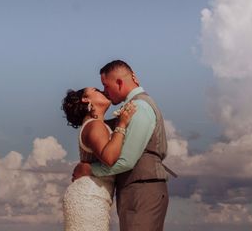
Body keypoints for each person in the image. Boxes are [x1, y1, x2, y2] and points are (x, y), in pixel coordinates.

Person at [72, 60, 171, 231]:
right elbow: (101, 128)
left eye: (105, 86)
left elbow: (126, 161)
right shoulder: (130, 109)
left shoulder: (139, 107)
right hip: (136, 189)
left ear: (118, 82)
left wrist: (90, 169)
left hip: (143, 189)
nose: (105, 92)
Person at [61, 86, 138, 231]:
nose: (102, 91)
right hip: (89, 196)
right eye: (96, 90)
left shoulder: (98, 125)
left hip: (95, 195)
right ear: (86, 100)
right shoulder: (94, 125)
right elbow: (109, 158)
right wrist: (122, 124)